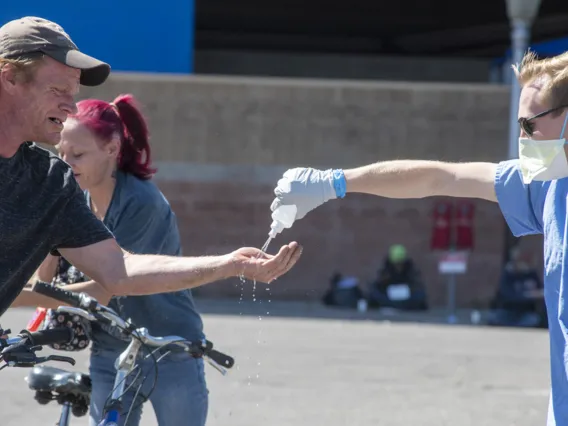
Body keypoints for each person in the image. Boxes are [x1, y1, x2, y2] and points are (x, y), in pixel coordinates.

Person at [271, 50, 568, 425]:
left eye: (529, 126)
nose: (522, 138)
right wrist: (334, 182)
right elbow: (440, 177)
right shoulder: (550, 187)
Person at [0, 15, 302, 318]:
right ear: (9, 77)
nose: (71, 106)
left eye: (72, 92)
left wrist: (231, 264)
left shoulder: (49, 180)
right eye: (57, 90)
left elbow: (118, 269)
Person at [12, 94, 210, 425]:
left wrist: (14, 295)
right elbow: (46, 280)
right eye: (60, 154)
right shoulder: (73, 197)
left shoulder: (141, 202)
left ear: (111, 149)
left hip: (168, 348)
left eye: (77, 155)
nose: (65, 163)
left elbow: (111, 286)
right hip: (110, 351)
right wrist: (50, 236)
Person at [488, 246, 546, 328]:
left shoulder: (532, 275)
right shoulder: (508, 275)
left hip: (526, 313)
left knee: (534, 320)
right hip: (507, 312)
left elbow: (542, 291)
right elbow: (509, 295)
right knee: (495, 317)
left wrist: (537, 294)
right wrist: (530, 295)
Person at [368, 244, 428, 311]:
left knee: (420, 295)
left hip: (407, 297)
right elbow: (379, 285)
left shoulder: (410, 270)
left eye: (400, 264)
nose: (398, 267)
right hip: (389, 296)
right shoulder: (386, 271)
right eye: (396, 264)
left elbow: (416, 285)